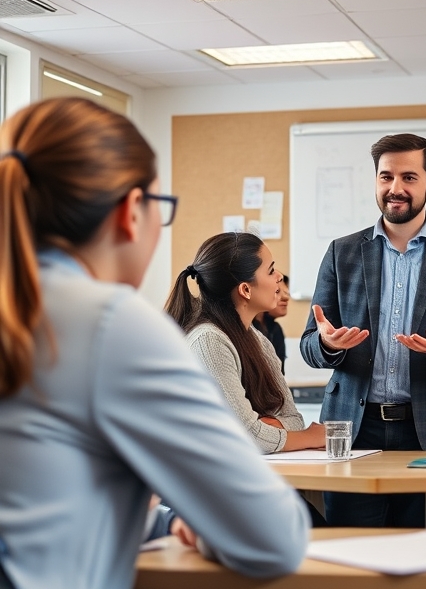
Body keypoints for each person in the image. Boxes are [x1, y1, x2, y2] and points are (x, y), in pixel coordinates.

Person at [0, 97, 309, 589]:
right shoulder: (112, 325)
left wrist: (162, 519)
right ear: (131, 212)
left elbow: (45, 501)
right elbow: (275, 536)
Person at [299, 133, 426, 527]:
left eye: (409, 177)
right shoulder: (342, 253)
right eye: (386, 176)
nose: (395, 188)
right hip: (354, 428)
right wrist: (327, 344)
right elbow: (309, 345)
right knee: (350, 549)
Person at [166, 234, 324, 455]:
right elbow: (248, 436)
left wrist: (266, 428)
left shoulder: (258, 340)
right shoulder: (208, 341)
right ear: (245, 290)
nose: (279, 277)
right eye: (271, 270)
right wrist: (308, 437)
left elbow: (293, 419)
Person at [253, 273, 290, 374]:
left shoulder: (275, 329)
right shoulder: (245, 329)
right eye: (277, 291)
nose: (286, 298)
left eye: (287, 292)